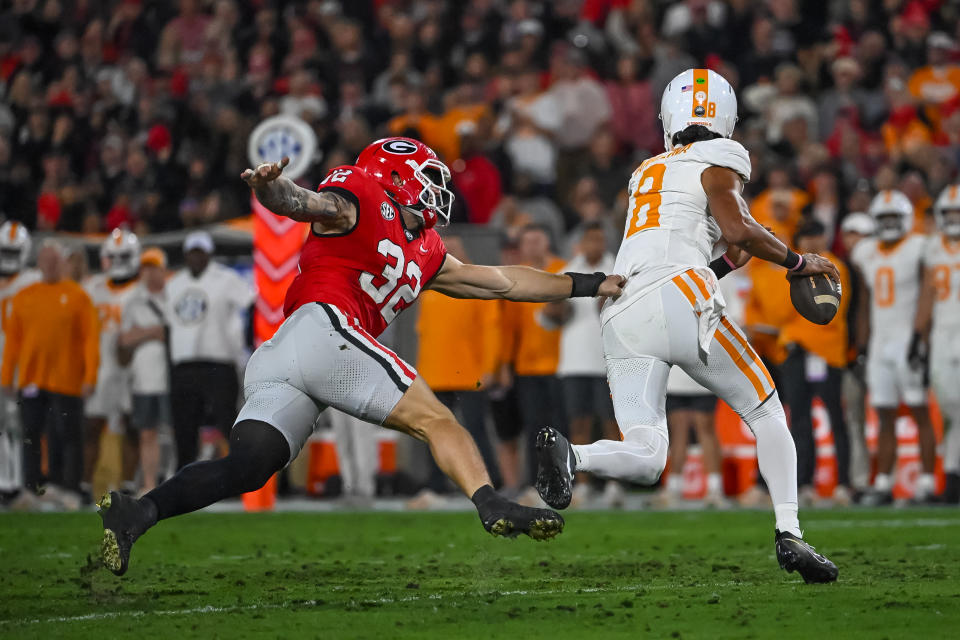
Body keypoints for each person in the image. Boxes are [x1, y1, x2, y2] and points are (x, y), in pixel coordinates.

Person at [96, 137, 624, 576]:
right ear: (394, 175)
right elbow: (308, 204)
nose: (436, 189)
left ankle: (139, 510)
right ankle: (491, 502)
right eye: (425, 175)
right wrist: (270, 190)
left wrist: (587, 283)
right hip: (328, 328)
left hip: (287, 351)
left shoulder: (427, 250)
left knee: (249, 464)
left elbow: (504, 281)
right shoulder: (363, 197)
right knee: (438, 420)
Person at [536, 69, 840, 583]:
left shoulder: (646, 170)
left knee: (650, 453)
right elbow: (737, 226)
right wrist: (796, 262)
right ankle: (790, 532)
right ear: (725, 118)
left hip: (623, 303)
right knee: (765, 408)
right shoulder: (722, 155)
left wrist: (722, 266)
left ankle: (576, 455)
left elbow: (677, 244)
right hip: (679, 294)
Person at [851, 190, 938, 505]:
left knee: (919, 411)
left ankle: (927, 483)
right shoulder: (866, 251)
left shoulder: (919, 247)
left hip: (908, 340)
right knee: (884, 413)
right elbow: (863, 303)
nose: (888, 223)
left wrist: (921, 338)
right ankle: (884, 482)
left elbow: (929, 295)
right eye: (883, 218)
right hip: (880, 343)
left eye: (894, 217)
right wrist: (861, 346)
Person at [1, 240, 98, 507]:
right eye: (46, 259)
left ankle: (69, 488)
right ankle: (32, 488)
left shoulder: (78, 296)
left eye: (55, 259)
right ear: (39, 263)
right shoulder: (24, 296)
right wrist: (7, 376)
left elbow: (90, 339)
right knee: (31, 434)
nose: (51, 264)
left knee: (68, 436)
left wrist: (90, 376)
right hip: (32, 380)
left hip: (67, 380)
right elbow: (13, 342)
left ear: (63, 263)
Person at [410, 234, 502, 508]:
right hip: (434, 372)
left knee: (476, 430)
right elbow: (423, 332)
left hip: (470, 373)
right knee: (434, 431)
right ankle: (435, 486)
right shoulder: (428, 286)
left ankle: (489, 483)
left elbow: (491, 328)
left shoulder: (478, 280)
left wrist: (490, 367)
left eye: (452, 249)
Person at [542, 222, 622, 507]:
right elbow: (548, 317)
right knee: (579, 424)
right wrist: (557, 308)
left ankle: (614, 485)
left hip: (607, 362)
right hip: (574, 361)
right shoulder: (569, 271)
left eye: (599, 240)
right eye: (590, 240)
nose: (595, 246)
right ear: (581, 243)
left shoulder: (617, 268)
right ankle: (584, 485)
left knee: (611, 425)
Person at [164, 230, 255, 469]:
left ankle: (244, 471)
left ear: (209, 254)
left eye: (200, 253)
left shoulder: (226, 278)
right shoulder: (174, 284)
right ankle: (183, 478)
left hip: (218, 364)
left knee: (228, 422)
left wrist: (248, 343)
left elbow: (252, 305)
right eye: (192, 253)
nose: (196, 258)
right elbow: (166, 326)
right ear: (185, 255)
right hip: (183, 366)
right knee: (183, 427)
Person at [777, 221, 853, 507]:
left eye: (814, 235)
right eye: (805, 236)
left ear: (823, 237)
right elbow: (781, 312)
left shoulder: (835, 267)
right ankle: (804, 483)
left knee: (836, 419)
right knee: (799, 420)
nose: (810, 241)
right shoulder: (793, 269)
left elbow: (828, 312)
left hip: (827, 351)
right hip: (798, 352)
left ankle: (843, 483)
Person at [498, 225, 566, 496]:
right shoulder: (519, 275)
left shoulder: (564, 268)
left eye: (538, 238)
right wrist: (505, 364)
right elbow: (509, 327)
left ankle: (565, 480)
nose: (533, 245)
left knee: (563, 425)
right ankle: (536, 483)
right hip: (526, 365)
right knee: (533, 427)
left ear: (548, 240)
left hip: (562, 363)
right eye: (528, 241)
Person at [84, 229, 141, 499]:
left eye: (123, 257)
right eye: (113, 256)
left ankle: (129, 484)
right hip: (101, 367)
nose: (117, 262)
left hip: (134, 369)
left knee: (132, 427)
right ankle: (85, 485)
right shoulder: (93, 288)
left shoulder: (142, 289)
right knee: (92, 426)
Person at [915, 185, 960, 503]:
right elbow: (928, 292)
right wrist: (919, 334)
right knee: (948, 407)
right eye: (949, 213)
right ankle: (954, 475)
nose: (954, 218)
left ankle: (954, 476)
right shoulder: (932, 247)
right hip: (943, 333)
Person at [119, 248, 170, 495]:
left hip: (171, 378)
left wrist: (143, 332)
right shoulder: (134, 301)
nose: (149, 273)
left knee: (172, 432)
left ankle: (171, 481)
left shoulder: (174, 296)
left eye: (154, 268)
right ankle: (150, 484)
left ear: (163, 270)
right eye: (145, 268)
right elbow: (125, 338)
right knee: (147, 433)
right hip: (144, 378)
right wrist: (153, 332)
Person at [0, 222, 40, 498]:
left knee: (18, 425)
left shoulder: (33, 282)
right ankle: (5, 481)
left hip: (21, 364)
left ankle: (18, 482)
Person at [652, 367, 727, 509]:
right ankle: (674, 488)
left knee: (705, 429)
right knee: (679, 432)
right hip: (676, 379)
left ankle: (715, 488)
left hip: (704, 378)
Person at [838, 212, 875, 495]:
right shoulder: (842, 269)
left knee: (896, 416)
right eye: (850, 234)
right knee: (855, 419)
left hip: (887, 348)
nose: (854, 241)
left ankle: (892, 478)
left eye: (860, 235)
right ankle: (860, 479)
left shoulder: (887, 264)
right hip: (854, 354)